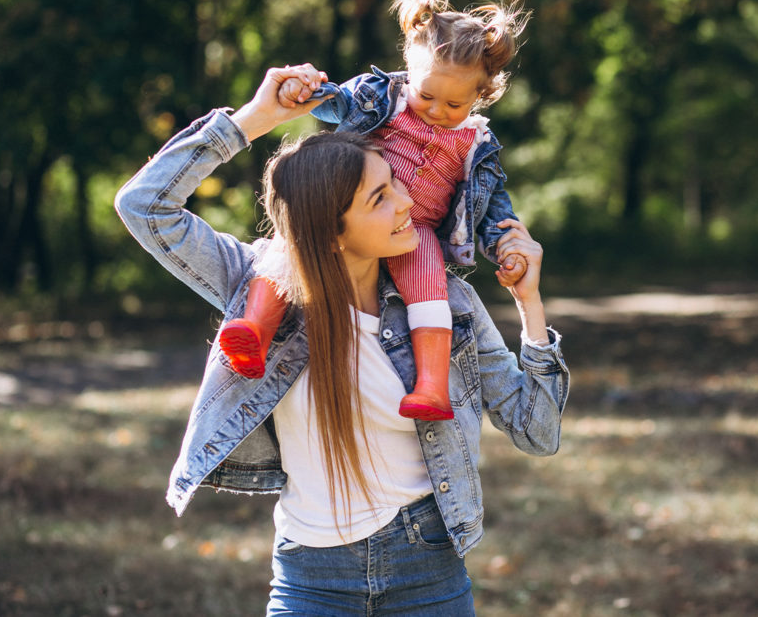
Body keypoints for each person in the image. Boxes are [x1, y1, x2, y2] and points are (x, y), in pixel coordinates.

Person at [114, 66, 569, 615]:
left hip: (427, 572)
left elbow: (537, 431)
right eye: (381, 197)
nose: (408, 204)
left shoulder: (445, 306)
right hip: (310, 580)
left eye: (397, 183)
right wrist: (256, 118)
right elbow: (144, 206)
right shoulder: (258, 283)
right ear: (331, 228)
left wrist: (530, 305)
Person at [218, 0, 530, 424]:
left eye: (455, 103)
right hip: (359, 203)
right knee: (296, 242)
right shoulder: (381, 96)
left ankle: (430, 386)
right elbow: (337, 104)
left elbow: (494, 209)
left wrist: (504, 245)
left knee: (431, 287)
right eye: (427, 96)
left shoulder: (478, 144)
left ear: (482, 95)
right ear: (409, 67)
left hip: (415, 229)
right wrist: (310, 92)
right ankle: (255, 328)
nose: (437, 110)